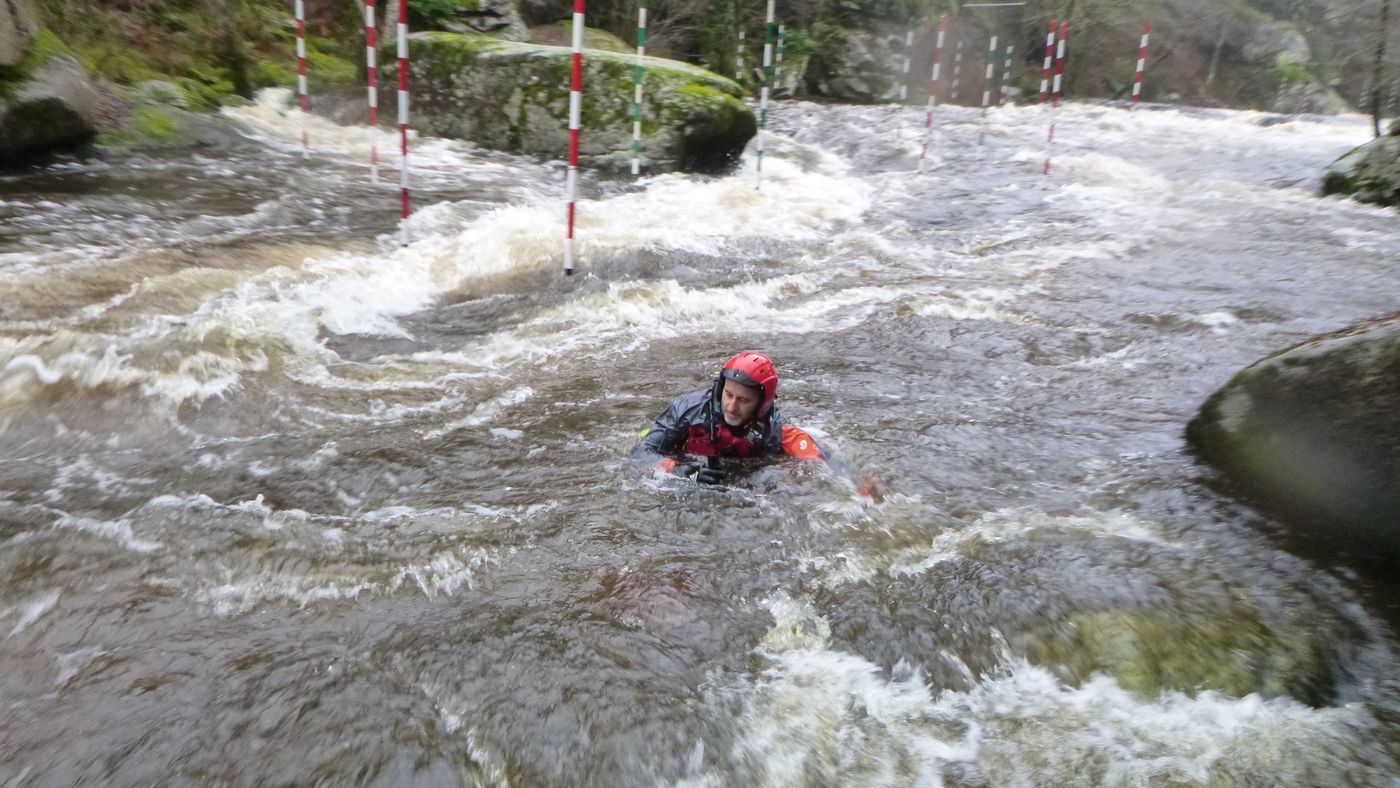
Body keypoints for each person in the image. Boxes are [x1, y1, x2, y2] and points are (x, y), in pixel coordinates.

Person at [631, 351, 824, 484]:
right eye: (728, 395)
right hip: (684, 466)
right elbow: (640, 455)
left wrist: (852, 485)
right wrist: (679, 471)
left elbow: (822, 460)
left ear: (762, 403)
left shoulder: (776, 430)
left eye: (743, 400)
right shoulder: (688, 410)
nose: (731, 407)